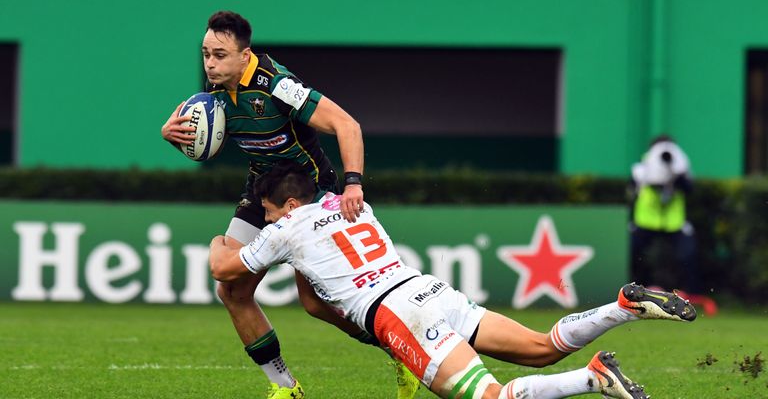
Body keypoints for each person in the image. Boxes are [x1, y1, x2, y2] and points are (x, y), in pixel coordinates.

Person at [209, 161, 698, 399]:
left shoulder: (289, 226)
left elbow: (224, 271)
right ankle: (621, 307)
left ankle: (593, 378)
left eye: (269, 212)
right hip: (430, 291)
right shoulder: (353, 205)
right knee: (542, 346)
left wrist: (220, 240)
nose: (268, 222)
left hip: (400, 316)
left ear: (290, 206)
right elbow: (317, 300)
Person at [160, 10, 418, 399]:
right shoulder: (210, 96)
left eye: (220, 55)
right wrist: (172, 134)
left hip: (309, 195)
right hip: (263, 191)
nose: (210, 64)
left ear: (245, 56)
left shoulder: (277, 85)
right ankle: (286, 388)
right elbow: (199, 139)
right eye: (205, 54)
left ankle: (402, 353)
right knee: (231, 290)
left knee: (315, 304)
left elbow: (347, 125)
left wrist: (353, 184)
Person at [629, 135, 701, 295]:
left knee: (688, 254)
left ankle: (689, 294)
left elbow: (689, 189)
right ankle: (635, 290)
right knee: (632, 253)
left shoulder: (680, 169)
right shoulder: (641, 169)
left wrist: (676, 177)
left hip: (674, 222)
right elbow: (633, 191)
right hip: (646, 222)